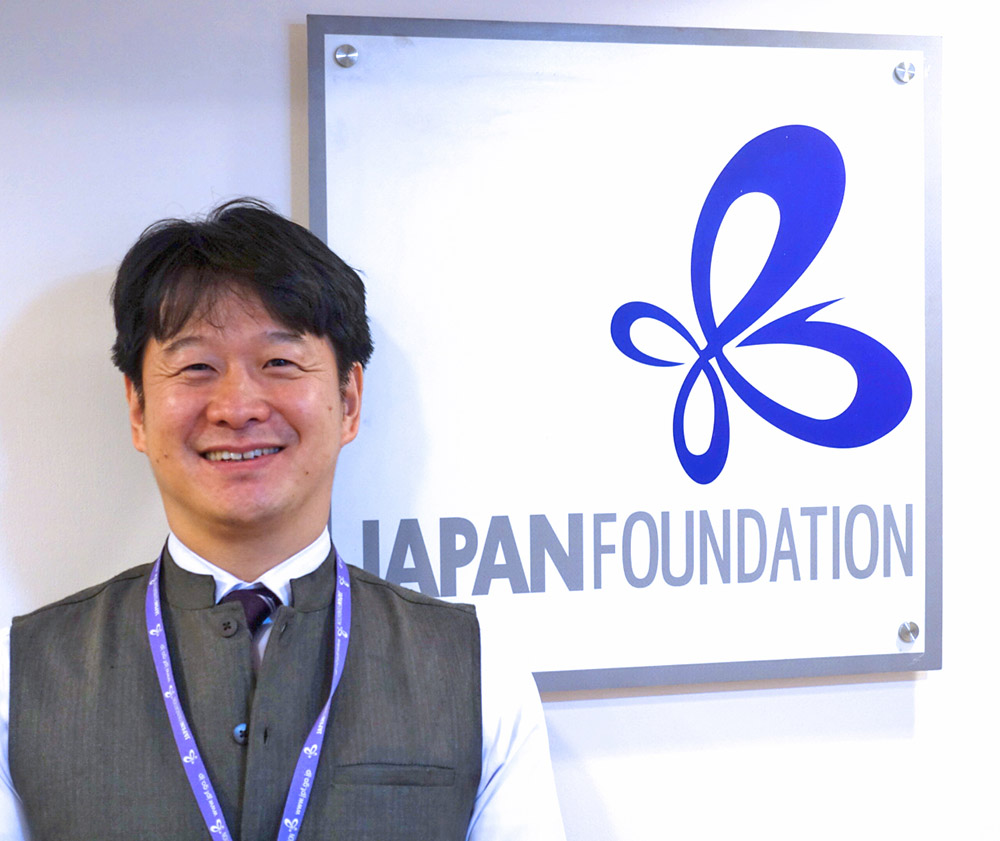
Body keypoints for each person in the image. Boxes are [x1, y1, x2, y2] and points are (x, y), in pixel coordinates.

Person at [0, 198, 566, 840]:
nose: (237, 407)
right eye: (196, 367)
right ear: (138, 409)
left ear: (348, 401)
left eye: (279, 363)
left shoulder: (477, 669)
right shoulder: (18, 679)